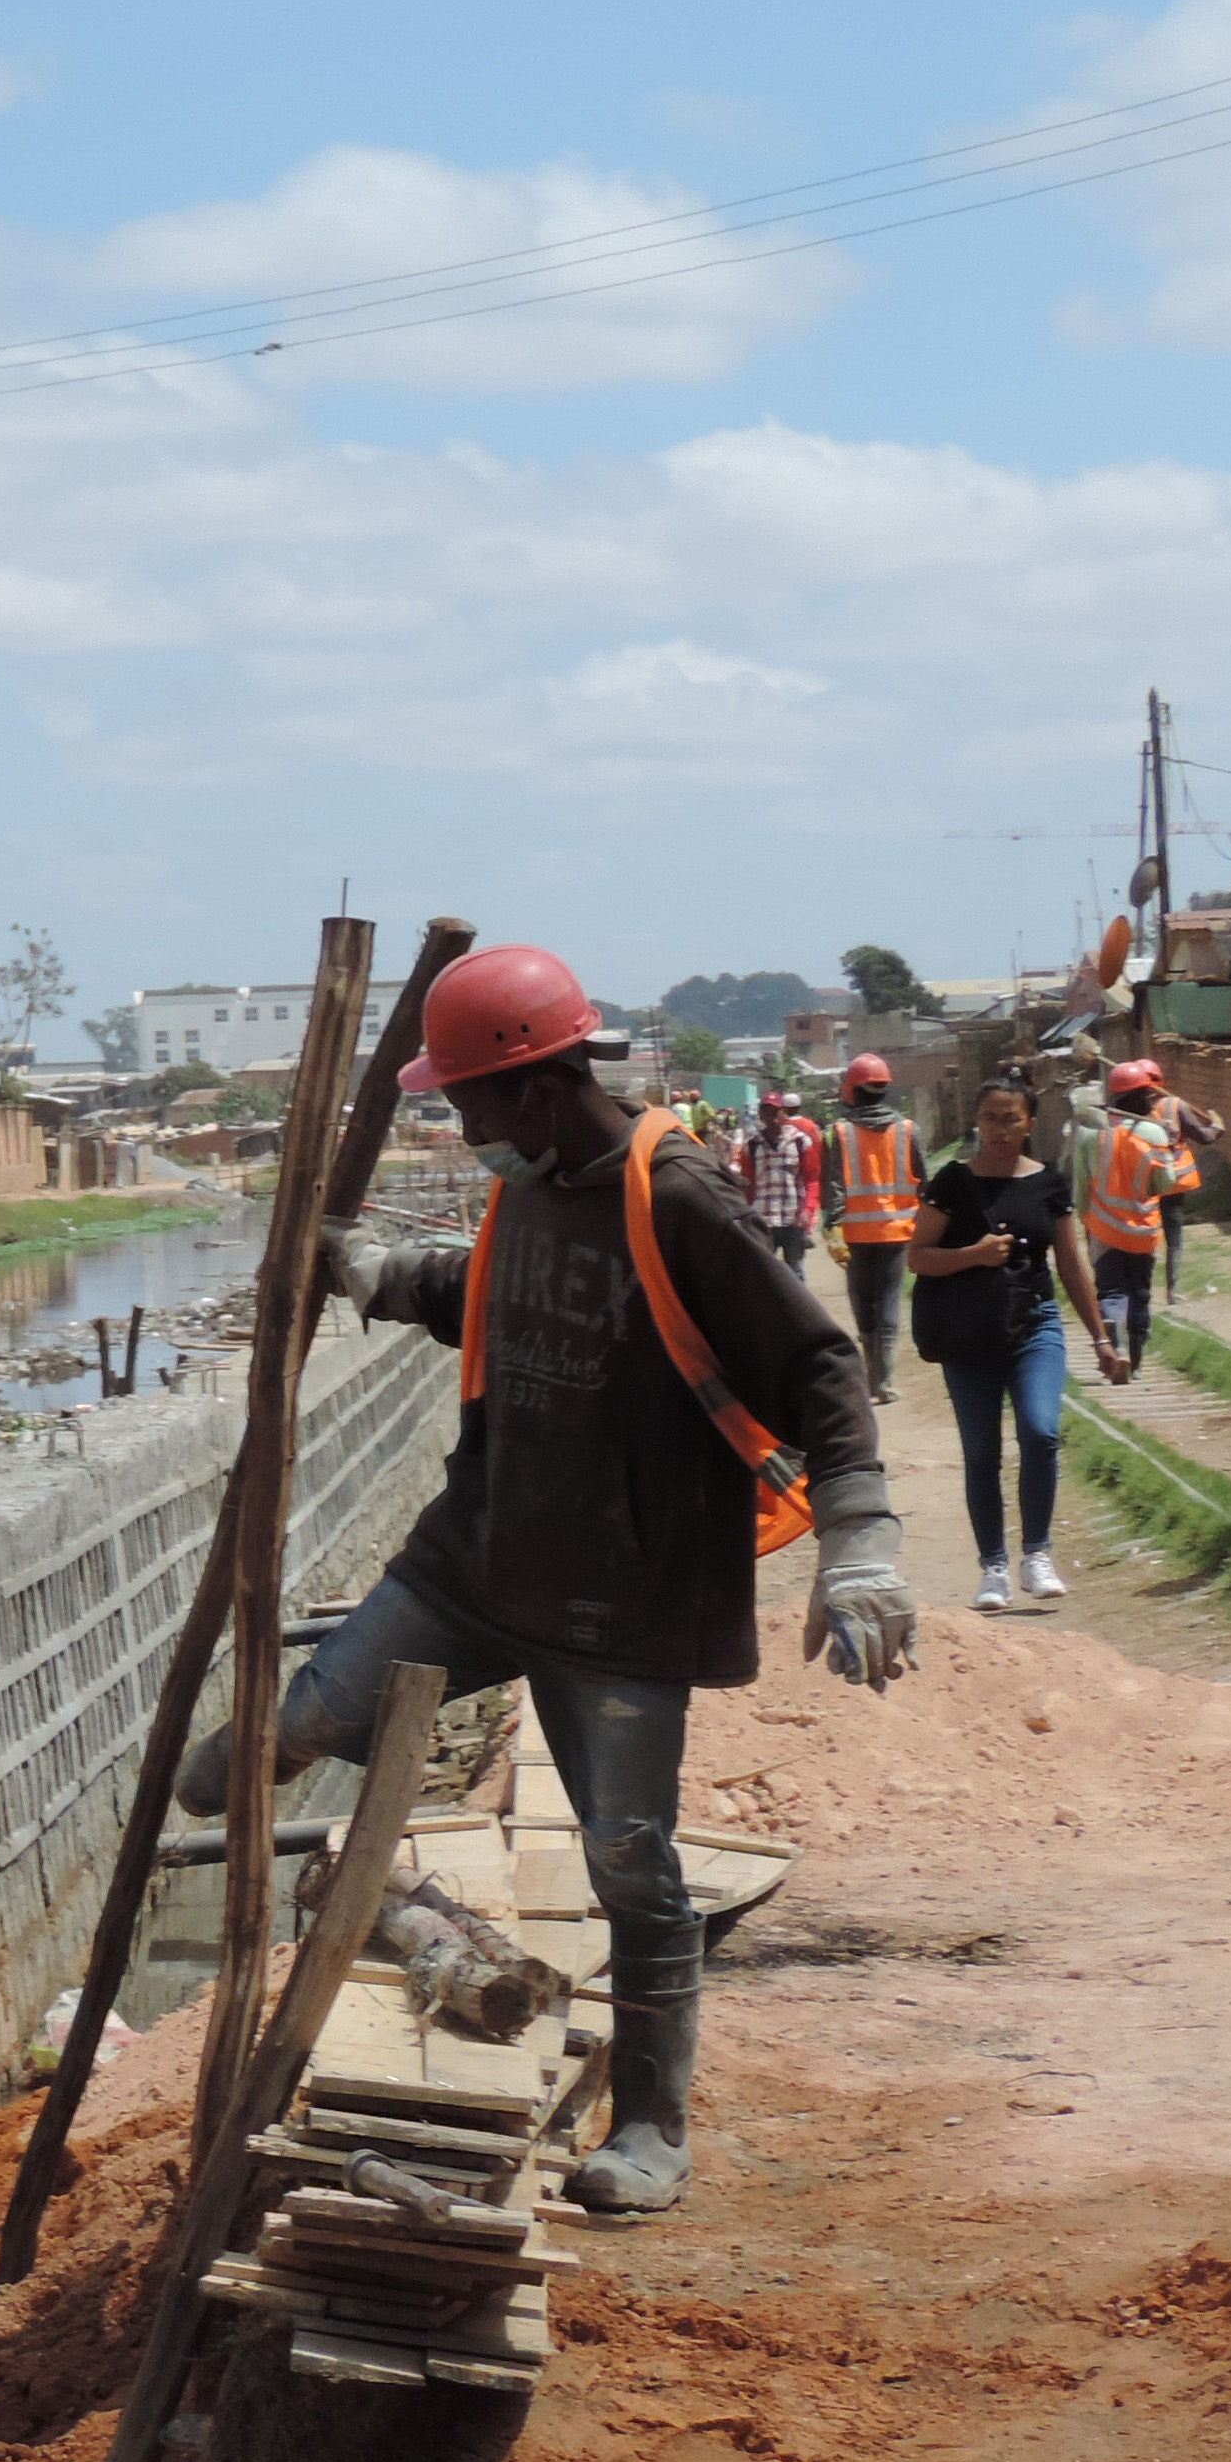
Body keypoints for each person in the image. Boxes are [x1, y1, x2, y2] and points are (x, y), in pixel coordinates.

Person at [191, 942, 913, 2219]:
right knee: (299, 1721)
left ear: (533, 1085)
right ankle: (272, 1793)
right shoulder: (533, 1189)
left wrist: (861, 1540)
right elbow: (496, 1296)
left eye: (468, 1104)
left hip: (622, 1601)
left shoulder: (679, 1197)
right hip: (479, 1557)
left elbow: (820, 1371)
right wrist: (372, 1274)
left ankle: (651, 2128)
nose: (463, 1130)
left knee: (632, 1865)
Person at [912, 1077, 1127, 1612]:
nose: (999, 1129)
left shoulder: (1049, 1183)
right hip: (968, 1335)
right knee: (982, 1453)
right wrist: (973, 1254)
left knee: (1040, 1430)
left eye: (1010, 1118)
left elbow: (1073, 1265)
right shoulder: (953, 1182)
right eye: (989, 1118)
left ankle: (1037, 1554)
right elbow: (917, 1256)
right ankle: (994, 1567)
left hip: (1034, 1325)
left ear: (1031, 1122)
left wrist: (1100, 1336)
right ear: (976, 1122)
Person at [1076, 1058, 1214, 1376]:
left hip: (1104, 1229)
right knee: (1139, 1291)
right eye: (1149, 1096)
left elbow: (1081, 1187)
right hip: (1143, 1229)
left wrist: (1086, 1222)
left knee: (1111, 1290)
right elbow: (1165, 1183)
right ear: (1140, 1097)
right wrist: (1164, 1147)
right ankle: (1135, 1361)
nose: (1152, 1101)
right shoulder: (1153, 1132)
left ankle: (1117, 1345)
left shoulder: (1090, 1133)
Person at [827, 1056, 930, 1406]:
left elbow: (835, 1186)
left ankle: (873, 1375)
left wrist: (831, 1229)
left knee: (863, 1302)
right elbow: (925, 1181)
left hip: (855, 1235)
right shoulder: (907, 1130)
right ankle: (882, 1381)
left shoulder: (840, 1132)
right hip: (898, 1232)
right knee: (888, 1301)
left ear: (854, 1090)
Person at [736, 1087, 822, 1266]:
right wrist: (747, 1216)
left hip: (793, 1219)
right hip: (764, 1220)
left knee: (795, 1274)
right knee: (763, 1274)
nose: (772, 1117)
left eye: (776, 1112)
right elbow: (748, 1185)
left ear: (785, 1114)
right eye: (767, 1113)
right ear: (760, 1115)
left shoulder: (800, 1142)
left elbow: (812, 1180)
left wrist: (808, 1211)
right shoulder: (751, 1146)